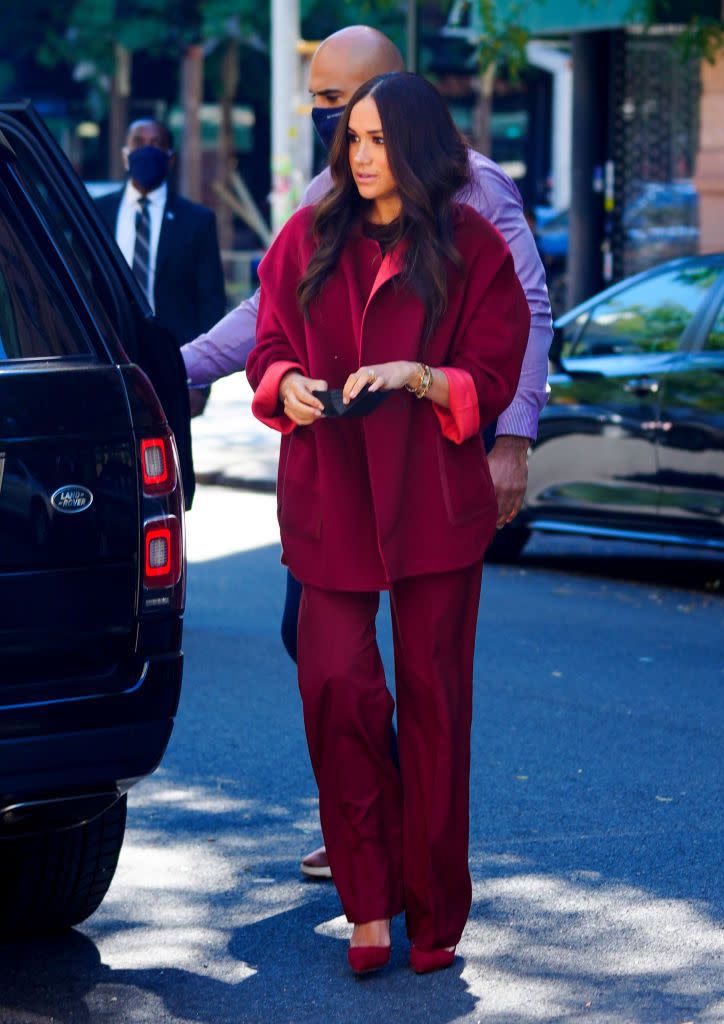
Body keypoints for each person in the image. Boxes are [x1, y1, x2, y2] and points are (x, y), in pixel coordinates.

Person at [180, 25, 552, 880]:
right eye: (319, 102)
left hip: (432, 465)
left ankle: (403, 848)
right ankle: (367, 826)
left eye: (336, 101)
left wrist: (513, 437)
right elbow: (268, 315)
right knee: (320, 651)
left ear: (397, 97)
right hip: (344, 471)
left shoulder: (476, 186)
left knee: (428, 677)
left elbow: (524, 307)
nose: (325, 118)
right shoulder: (330, 191)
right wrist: (176, 364)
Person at [246, 71, 530, 975]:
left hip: (434, 504)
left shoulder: (474, 244)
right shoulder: (306, 236)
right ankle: (367, 901)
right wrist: (282, 382)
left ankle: (435, 910)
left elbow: (495, 365)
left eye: (375, 140)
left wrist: (418, 377)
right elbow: (267, 341)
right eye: (351, 140)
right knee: (336, 692)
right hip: (330, 496)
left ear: (415, 145)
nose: (360, 158)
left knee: (438, 706)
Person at [94, 118, 226, 416]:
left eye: (156, 144)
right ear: (124, 153)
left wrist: (201, 381)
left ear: (170, 157)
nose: (147, 150)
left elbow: (210, 301)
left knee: (174, 456)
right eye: (139, 143)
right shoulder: (97, 214)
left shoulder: (197, 221)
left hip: (173, 363)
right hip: (111, 359)